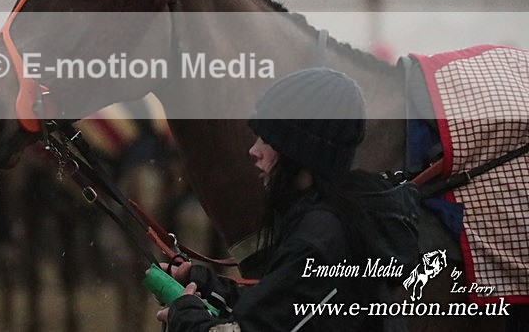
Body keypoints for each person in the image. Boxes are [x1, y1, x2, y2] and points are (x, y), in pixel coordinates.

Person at [155, 68, 420, 331]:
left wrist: (185, 315)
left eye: (269, 140)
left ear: (301, 152)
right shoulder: (332, 222)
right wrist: (205, 285)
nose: (253, 150)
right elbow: (275, 311)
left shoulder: (318, 241)